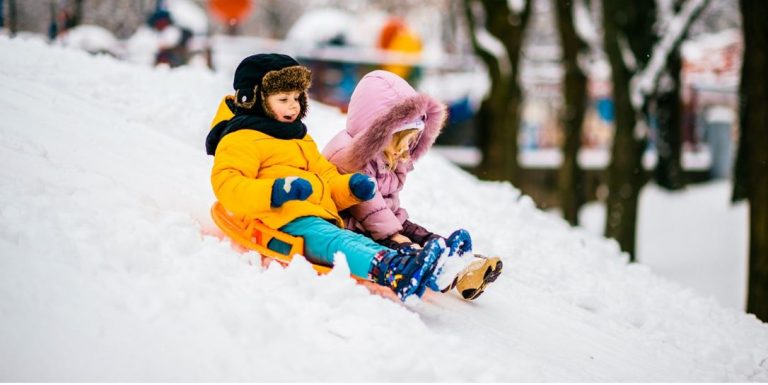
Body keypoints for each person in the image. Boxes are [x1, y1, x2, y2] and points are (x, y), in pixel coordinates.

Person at [206, 54, 448, 301]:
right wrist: (275, 191)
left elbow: (325, 175)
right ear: (254, 100)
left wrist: (351, 188)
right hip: (280, 218)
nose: (293, 106)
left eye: (297, 98)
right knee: (334, 242)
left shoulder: (298, 137)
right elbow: (228, 184)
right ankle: (389, 269)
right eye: (283, 99)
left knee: (347, 238)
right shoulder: (240, 139)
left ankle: (403, 263)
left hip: (317, 214)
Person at [323, 70, 502, 300]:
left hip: (383, 220)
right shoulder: (349, 155)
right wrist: (399, 238)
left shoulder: (391, 155)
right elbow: (369, 209)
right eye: (403, 141)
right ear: (381, 133)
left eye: (411, 142)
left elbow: (387, 207)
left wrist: (405, 230)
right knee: (406, 245)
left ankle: (460, 266)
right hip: (351, 226)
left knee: (421, 236)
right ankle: (429, 267)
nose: (406, 149)